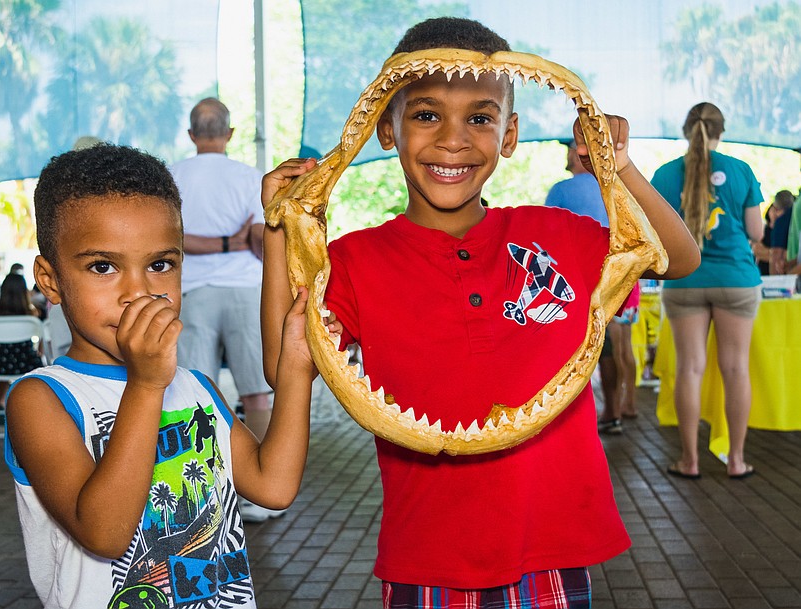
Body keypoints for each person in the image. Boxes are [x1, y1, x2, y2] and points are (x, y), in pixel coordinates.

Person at [262, 17, 700, 607]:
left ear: (509, 133)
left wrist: (617, 166)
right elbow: (281, 363)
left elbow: (677, 258)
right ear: (385, 130)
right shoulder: (354, 261)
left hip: (553, 551)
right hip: (428, 557)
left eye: (480, 117)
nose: (452, 138)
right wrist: (279, 229)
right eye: (425, 114)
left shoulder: (560, 236)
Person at [6, 144, 328, 608]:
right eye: (103, 267)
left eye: (160, 265)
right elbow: (104, 533)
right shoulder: (42, 399)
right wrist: (147, 383)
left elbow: (272, 486)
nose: (138, 291)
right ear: (51, 280)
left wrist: (296, 367)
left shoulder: (195, 387)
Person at [169, 98, 278, 523]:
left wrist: (209, 243)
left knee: (196, 391)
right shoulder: (250, 177)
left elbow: (172, 239)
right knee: (256, 390)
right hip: (244, 289)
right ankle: (260, 491)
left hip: (192, 290)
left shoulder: (172, 177)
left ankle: (203, 495)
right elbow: (259, 239)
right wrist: (233, 242)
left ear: (192, 135)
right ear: (230, 134)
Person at [651, 102, 763, 481]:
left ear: (686, 130)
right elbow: (757, 233)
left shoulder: (665, 174)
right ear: (721, 130)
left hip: (684, 281)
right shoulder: (741, 170)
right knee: (735, 368)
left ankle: (690, 461)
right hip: (736, 278)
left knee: (690, 368)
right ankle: (736, 460)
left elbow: (653, 231)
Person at [545, 140, 640, 434]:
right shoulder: (618, 189)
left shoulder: (561, 190)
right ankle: (616, 410)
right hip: (619, 279)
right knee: (615, 348)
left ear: (579, 153)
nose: (566, 154)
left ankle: (569, 418)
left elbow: (546, 242)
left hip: (575, 285)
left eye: (569, 148)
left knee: (570, 354)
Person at [0, 272, 44, 423]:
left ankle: (0, 401)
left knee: (4, 359)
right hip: (29, 364)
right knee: (28, 361)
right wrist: (39, 352)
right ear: (24, 292)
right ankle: (30, 408)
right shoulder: (32, 314)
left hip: (2, 365)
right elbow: (43, 338)